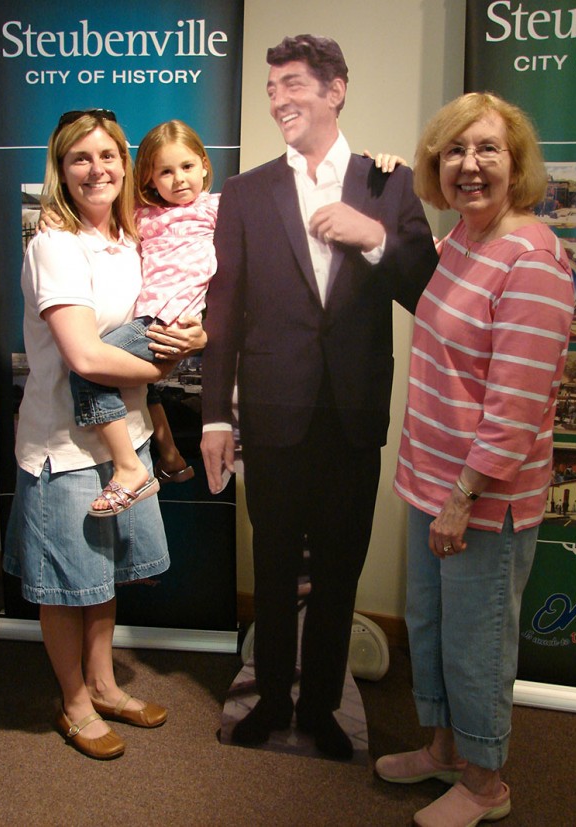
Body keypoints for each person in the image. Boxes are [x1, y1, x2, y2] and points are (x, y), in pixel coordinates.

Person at [200, 34, 438, 761]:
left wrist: (373, 237)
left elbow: (428, 287)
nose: (279, 100)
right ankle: (272, 699)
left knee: (340, 567)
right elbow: (226, 306)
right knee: (271, 565)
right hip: (270, 412)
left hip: (352, 413)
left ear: (336, 90)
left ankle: (325, 707)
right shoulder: (245, 190)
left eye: (294, 84)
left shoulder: (387, 183)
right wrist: (214, 411)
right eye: (272, 88)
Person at [374, 93, 574, 826]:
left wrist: (464, 494)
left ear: (516, 161)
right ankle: (444, 748)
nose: (469, 165)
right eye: (454, 151)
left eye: (487, 149)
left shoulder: (535, 262)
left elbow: (517, 405)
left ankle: (487, 782)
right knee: (428, 627)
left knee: (477, 643)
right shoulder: (460, 239)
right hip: (430, 478)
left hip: (483, 497)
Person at [3, 109, 206, 759]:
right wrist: (167, 364)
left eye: (109, 156)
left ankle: (104, 681)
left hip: (128, 435)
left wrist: (194, 337)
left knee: (102, 578)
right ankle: (74, 702)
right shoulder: (55, 245)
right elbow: (86, 358)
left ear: (127, 164)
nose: (98, 170)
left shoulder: (132, 237)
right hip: (61, 448)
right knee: (69, 584)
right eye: (80, 158)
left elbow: (168, 313)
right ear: (60, 170)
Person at [69, 119, 218, 516]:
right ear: (150, 179)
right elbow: (90, 214)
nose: (179, 179)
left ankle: (129, 468)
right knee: (138, 387)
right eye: (165, 171)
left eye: (187, 166)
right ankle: (170, 458)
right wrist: (52, 214)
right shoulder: (143, 215)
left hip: (166, 322)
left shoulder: (217, 208)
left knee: (88, 371)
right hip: (144, 320)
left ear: (204, 165)